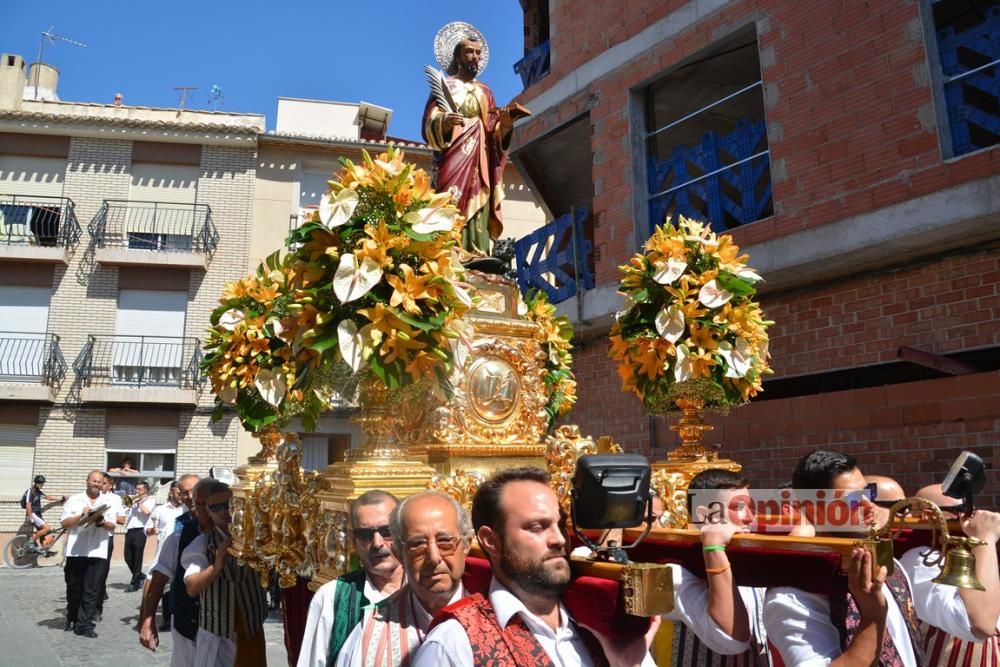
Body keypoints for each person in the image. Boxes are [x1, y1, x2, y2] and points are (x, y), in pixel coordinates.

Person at [413, 467, 659, 667]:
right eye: (537, 527)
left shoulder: (601, 627)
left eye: (560, 524)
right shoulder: (454, 644)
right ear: (490, 540)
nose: (560, 539)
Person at [764, 450, 981, 667]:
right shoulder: (793, 594)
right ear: (815, 512)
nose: (869, 506)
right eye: (852, 499)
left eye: (867, 493)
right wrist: (873, 616)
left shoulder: (891, 565)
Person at [335, 490, 471, 667]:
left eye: (445, 541)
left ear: (466, 545)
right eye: (417, 544)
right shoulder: (369, 632)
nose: (434, 557)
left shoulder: (498, 624)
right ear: (399, 553)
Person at [421, 21, 519, 257]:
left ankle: (476, 251)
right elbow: (428, 122)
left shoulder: (486, 91)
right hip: (454, 155)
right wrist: (444, 122)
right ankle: (449, 251)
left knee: (479, 205)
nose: (474, 57)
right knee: (450, 198)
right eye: (469, 52)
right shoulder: (447, 86)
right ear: (457, 56)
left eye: (477, 53)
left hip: (481, 159)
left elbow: (493, 131)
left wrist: (505, 124)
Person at [664, 468, 771, 666]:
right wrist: (713, 548)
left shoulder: (750, 558)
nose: (750, 517)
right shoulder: (675, 571)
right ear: (706, 515)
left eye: (750, 507)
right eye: (738, 506)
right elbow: (733, 640)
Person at [298, 490, 404, 667]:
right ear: (352, 540)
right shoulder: (333, 597)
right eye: (365, 535)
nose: (377, 543)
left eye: (387, 531)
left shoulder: (427, 594)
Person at [900, 483, 1000, 665]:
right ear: (928, 516)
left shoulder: (977, 556)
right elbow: (979, 624)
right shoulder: (919, 559)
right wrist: (985, 539)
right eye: (961, 510)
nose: (970, 517)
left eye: (971, 509)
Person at [182, 480, 268, 667]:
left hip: (251, 632)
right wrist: (215, 566)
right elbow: (191, 588)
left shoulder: (259, 539)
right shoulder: (201, 544)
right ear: (209, 512)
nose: (223, 511)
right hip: (217, 635)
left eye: (228, 505)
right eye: (216, 507)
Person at [138, 473, 205, 666]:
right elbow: (159, 576)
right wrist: (147, 619)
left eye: (195, 491)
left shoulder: (225, 526)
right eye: (185, 493)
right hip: (187, 617)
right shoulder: (178, 530)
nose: (191, 497)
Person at [60, 470, 116, 638]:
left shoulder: (108, 501)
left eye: (100, 482)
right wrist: (82, 516)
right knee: (74, 588)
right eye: (94, 481)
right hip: (76, 551)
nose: (96, 484)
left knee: (92, 590)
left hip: (98, 551)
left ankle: (84, 625)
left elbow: (113, 526)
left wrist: (102, 522)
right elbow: (65, 523)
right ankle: (72, 617)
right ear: (87, 481)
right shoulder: (74, 500)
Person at [145, 479, 189, 633]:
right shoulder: (161, 510)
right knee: (166, 589)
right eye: (180, 493)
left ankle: (177, 615)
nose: (183, 496)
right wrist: (151, 531)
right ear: (172, 492)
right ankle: (166, 618)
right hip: (165, 552)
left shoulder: (187, 511)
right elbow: (149, 528)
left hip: (184, 554)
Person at [95, 471, 124, 622]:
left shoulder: (115, 499)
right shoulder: (92, 497)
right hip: (90, 538)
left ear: (110, 485)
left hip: (106, 538)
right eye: (99, 483)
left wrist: (108, 519)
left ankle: (96, 608)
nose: (100, 486)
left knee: (100, 574)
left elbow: (121, 519)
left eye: (103, 483)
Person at [123, 480, 156, 592]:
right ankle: (140, 575)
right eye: (136, 489)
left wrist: (138, 502)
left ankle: (135, 582)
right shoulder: (134, 501)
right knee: (127, 557)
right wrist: (131, 504)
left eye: (139, 489)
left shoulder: (150, 500)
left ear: (145, 490)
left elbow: (146, 512)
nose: (136, 491)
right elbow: (126, 511)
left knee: (137, 557)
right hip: (130, 529)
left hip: (141, 530)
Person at [21, 474, 66, 550]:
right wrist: (31, 518)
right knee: (47, 528)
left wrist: (60, 500)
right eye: (41, 483)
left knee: (43, 532)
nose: (42, 485)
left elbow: (48, 497)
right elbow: (28, 505)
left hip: (38, 514)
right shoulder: (30, 491)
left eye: (43, 483)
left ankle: (44, 550)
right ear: (36, 483)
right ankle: (30, 542)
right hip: (33, 514)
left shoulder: (38, 492)